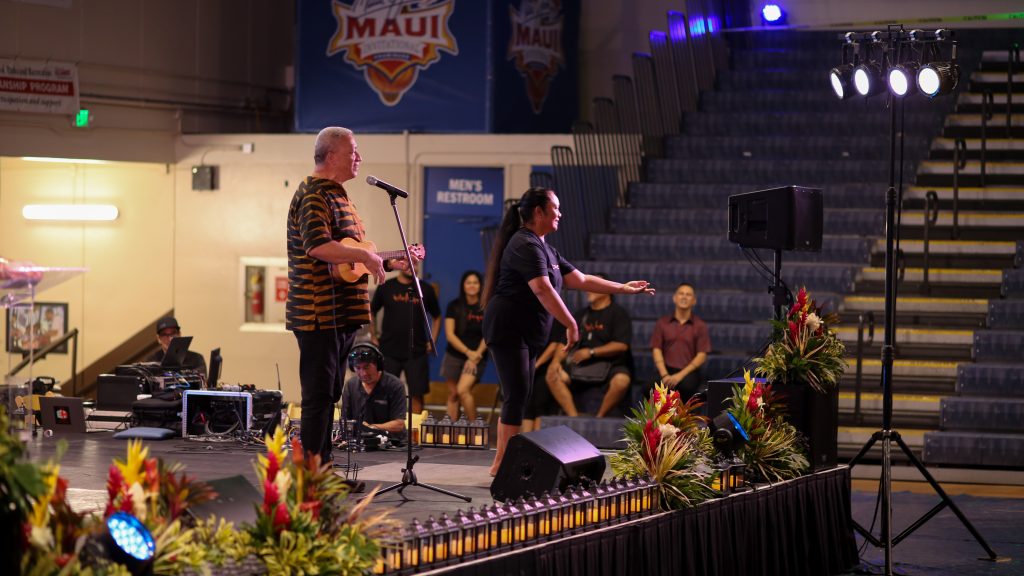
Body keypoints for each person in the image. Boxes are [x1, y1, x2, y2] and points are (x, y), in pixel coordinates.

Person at [482, 187, 655, 476]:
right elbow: (541, 288)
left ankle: (502, 461)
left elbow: (582, 279)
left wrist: (622, 288)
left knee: (519, 395)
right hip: (507, 327)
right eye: (556, 208)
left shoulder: (546, 249)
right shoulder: (524, 244)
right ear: (539, 212)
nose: (560, 214)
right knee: (516, 393)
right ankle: (501, 464)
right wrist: (571, 323)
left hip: (526, 331)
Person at [286, 126, 422, 464]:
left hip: (341, 315)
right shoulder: (314, 194)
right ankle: (314, 473)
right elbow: (317, 247)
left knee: (328, 394)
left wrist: (391, 262)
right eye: (353, 151)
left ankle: (325, 468)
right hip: (317, 314)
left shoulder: (339, 194)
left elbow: (352, 263)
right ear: (332, 156)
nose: (359, 157)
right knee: (318, 396)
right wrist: (365, 256)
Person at [547, 281, 634, 417]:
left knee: (622, 381)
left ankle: (599, 417)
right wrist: (556, 362)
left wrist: (592, 352)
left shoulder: (618, 314)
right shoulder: (581, 315)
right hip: (580, 366)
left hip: (611, 365)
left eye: (594, 288)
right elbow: (564, 341)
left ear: (607, 291)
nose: (588, 291)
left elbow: (621, 345)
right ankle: (573, 417)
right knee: (552, 374)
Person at [370, 264, 441, 415]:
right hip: (389, 350)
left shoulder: (425, 289)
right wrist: (373, 335)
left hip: (417, 351)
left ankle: (413, 435)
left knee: (416, 394)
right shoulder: (386, 287)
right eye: (408, 263)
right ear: (400, 265)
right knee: (385, 393)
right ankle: (387, 432)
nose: (411, 266)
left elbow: (437, 316)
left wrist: (432, 340)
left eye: (414, 263)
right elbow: (371, 311)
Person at [650, 283, 712, 400]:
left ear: (694, 301)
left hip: (688, 372)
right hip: (665, 370)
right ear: (674, 298)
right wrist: (665, 375)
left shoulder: (700, 325)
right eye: (681, 293)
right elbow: (656, 349)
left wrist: (679, 376)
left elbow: (702, 355)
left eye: (688, 295)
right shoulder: (662, 323)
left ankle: (680, 418)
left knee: (686, 387)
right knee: (648, 387)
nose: (684, 297)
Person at [441, 270, 488, 421]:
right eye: (469, 282)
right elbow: (450, 335)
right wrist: (468, 352)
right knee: (454, 394)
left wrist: (476, 356)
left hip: (477, 357)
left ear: (481, 286)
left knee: (463, 390)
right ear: (463, 285)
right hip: (454, 356)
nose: (472, 286)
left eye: (475, 282)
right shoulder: (454, 306)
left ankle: (476, 431)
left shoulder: (487, 306)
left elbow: (488, 334)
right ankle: (451, 434)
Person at [341, 343, 407, 435]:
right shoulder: (350, 385)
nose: (363, 373)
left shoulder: (395, 385)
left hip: (392, 444)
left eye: (367, 367)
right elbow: (345, 421)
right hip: (360, 444)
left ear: (378, 365)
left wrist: (370, 428)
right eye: (358, 368)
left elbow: (399, 424)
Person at [520, 322, 564, 432]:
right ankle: (526, 441)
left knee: (541, 404)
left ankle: (538, 443)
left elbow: (554, 345)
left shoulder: (554, 318)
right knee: (527, 405)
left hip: (546, 368)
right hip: (526, 367)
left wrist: (536, 365)